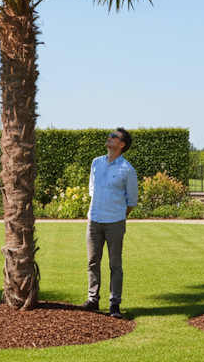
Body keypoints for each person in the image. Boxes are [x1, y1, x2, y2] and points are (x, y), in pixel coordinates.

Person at [82, 127, 138, 318]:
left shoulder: (127, 170)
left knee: (115, 264)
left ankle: (114, 304)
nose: (109, 137)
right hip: (94, 221)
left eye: (114, 137)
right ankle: (93, 300)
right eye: (110, 135)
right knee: (92, 262)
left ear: (122, 144)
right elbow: (92, 190)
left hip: (115, 222)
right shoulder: (96, 163)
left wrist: (118, 215)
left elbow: (131, 201)